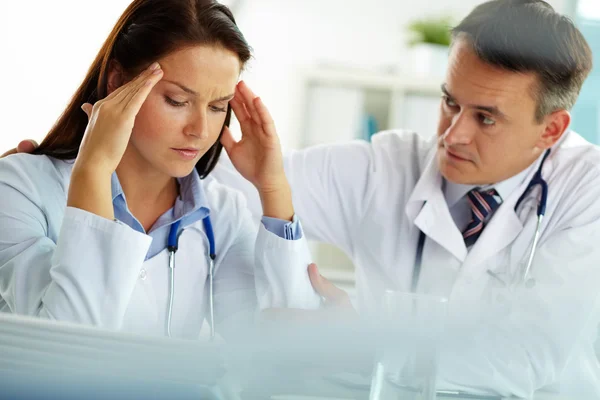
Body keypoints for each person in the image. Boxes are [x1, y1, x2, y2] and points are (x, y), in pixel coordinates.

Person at [7, 0, 600, 397]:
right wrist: (75, 169)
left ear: (551, 129)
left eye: (486, 118)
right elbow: (204, 187)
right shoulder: (385, 164)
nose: (452, 132)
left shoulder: (588, 189)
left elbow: (530, 358)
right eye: (449, 101)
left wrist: (364, 334)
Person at [0, 0, 319, 341]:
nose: (199, 129)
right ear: (117, 82)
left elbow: (285, 350)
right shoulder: (19, 188)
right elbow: (66, 350)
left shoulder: (223, 214)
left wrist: (273, 188)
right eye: (177, 101)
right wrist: (92, 171)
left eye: (217, 107)